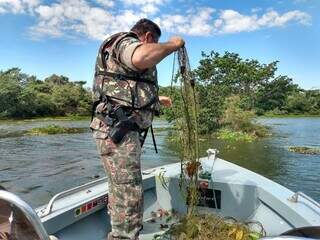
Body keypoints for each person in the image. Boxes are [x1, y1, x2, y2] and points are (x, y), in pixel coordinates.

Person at [90, 18, 184, 240]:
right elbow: (141, 57)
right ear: (149, 37)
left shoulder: (120, 52)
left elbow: (123, 93)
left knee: (121, 186)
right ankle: (123, 236)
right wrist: (173, 44)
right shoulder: (124, 42)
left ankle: (119, 229)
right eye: (155, 43)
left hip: (119, 131)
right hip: (117, 132)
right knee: (129, 190)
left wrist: (155, 99)